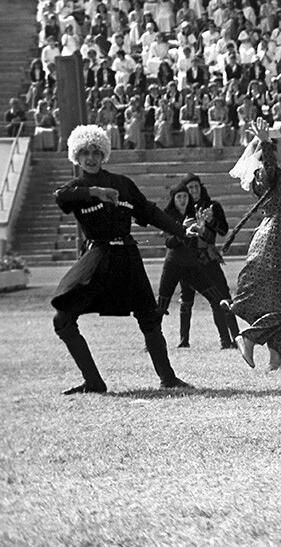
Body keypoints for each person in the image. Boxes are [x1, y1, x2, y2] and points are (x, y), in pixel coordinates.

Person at [52, 125, 195, 394]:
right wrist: (95, 192)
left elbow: (150, 212)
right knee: (62, 319)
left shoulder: (122, 184)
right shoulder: (77, 187)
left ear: (104, 154)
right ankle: (94, 382)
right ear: (76, 156)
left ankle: (168, 378)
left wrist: (183, 231)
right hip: (97, 260)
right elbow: (60, 196)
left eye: (96, 152)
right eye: (84, 153)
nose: (90, 158)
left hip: (127, 257)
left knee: (149, 318)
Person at [223, 118, 281, 371]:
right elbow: (270, 167)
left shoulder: (269, 174)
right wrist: (266, 143)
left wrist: (268, 144)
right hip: (274, 238)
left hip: (279, 236)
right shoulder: (264, 173)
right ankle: (249, 337)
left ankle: (276, 359)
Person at [156, 174, 238, 349]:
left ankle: (233, 338)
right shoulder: (181, 210)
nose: (193, 191)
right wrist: (184, 230)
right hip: (186, 259)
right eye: (189, 188)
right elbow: (169, 239)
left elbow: (221, 231)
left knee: (221, 295)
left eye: (196, 187)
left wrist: (209, 221)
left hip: (206, 257)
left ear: (201, 187)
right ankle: (183, 340)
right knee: (186, 298)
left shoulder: (211, 206)